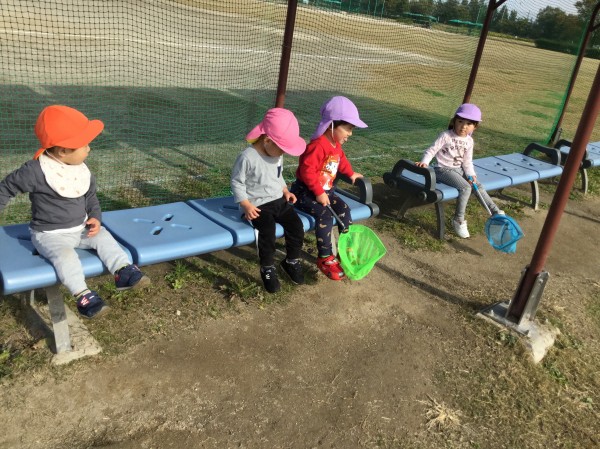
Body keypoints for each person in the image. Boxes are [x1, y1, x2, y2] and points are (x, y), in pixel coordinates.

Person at [0, 105, 150, 319]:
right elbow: (6, 188)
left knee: (103, 237)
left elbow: (90, 196)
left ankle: (123, 271)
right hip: (50, 236)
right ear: (63, 150)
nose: (89, 149)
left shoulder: (81, 169)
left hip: (81, 228)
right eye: (84, 145)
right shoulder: (35, 171)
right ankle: (83, 295)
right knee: (66, 257)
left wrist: (95, 217)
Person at [291, 96, 367, 281]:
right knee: (324, 215)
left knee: (344, 210)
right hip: (305, 193)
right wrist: (318, 193)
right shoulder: (317, 146)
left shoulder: (336, 146)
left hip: (326, 192)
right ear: (332, 125)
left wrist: (350, 173)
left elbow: (341, 161)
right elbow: (307, 171)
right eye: (348, 128)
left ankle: (346, 249)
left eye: (351, 129)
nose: (350, 134)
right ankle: (325, 257)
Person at [231, 108, 307, 293]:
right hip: (256, 205)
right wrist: (246, 204)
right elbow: (237, 182)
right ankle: (267, 267)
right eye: (282, 148)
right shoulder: (248, 157)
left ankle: (291, 261)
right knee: (268, 230)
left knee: (296, 226)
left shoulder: (276, 154)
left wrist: (285, 190)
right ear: (266, 140)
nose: (283, 153)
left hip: (278, 200)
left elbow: (278, 176)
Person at [415, 103, 504, 239]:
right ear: (454, 121)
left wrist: (471, 174)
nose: (463, 126)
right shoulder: (446, 136)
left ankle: (495, 211)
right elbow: (432, 150)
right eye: (460, 121)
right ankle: (458, 220)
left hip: (459, 169)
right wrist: (425, 162)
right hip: (442, 169)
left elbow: (467, 162)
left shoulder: (469, 141)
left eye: (469, 123)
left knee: (477, 185)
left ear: (475, 127)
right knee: (465, 188)